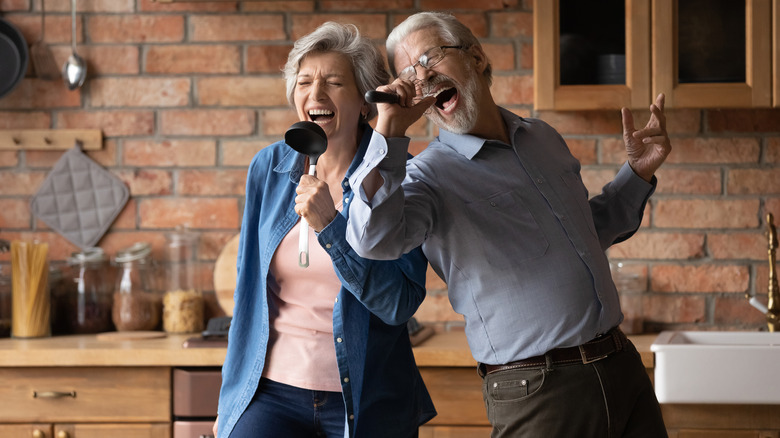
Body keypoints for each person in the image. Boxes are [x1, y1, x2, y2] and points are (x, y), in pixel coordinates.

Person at [345, 12, 671, 438]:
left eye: (430, 57)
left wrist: (637, 174)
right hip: (539, 390)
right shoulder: (426, 177)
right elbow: (371, 239)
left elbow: (586, 233)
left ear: (476, 57)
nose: (421, 76)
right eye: (408, 71)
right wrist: (387, 134)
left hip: (621, 366)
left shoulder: (542, 138)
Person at [214, 22, 435, 438]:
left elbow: (399, 304)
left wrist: (330, 226)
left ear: (364, 102)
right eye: (304, 82)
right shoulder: (270, 167)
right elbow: (247, 290)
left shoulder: (397, 176)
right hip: (270, 393)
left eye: (333, 83)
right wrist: (234, 402)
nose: (315, 95)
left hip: (367, 401)